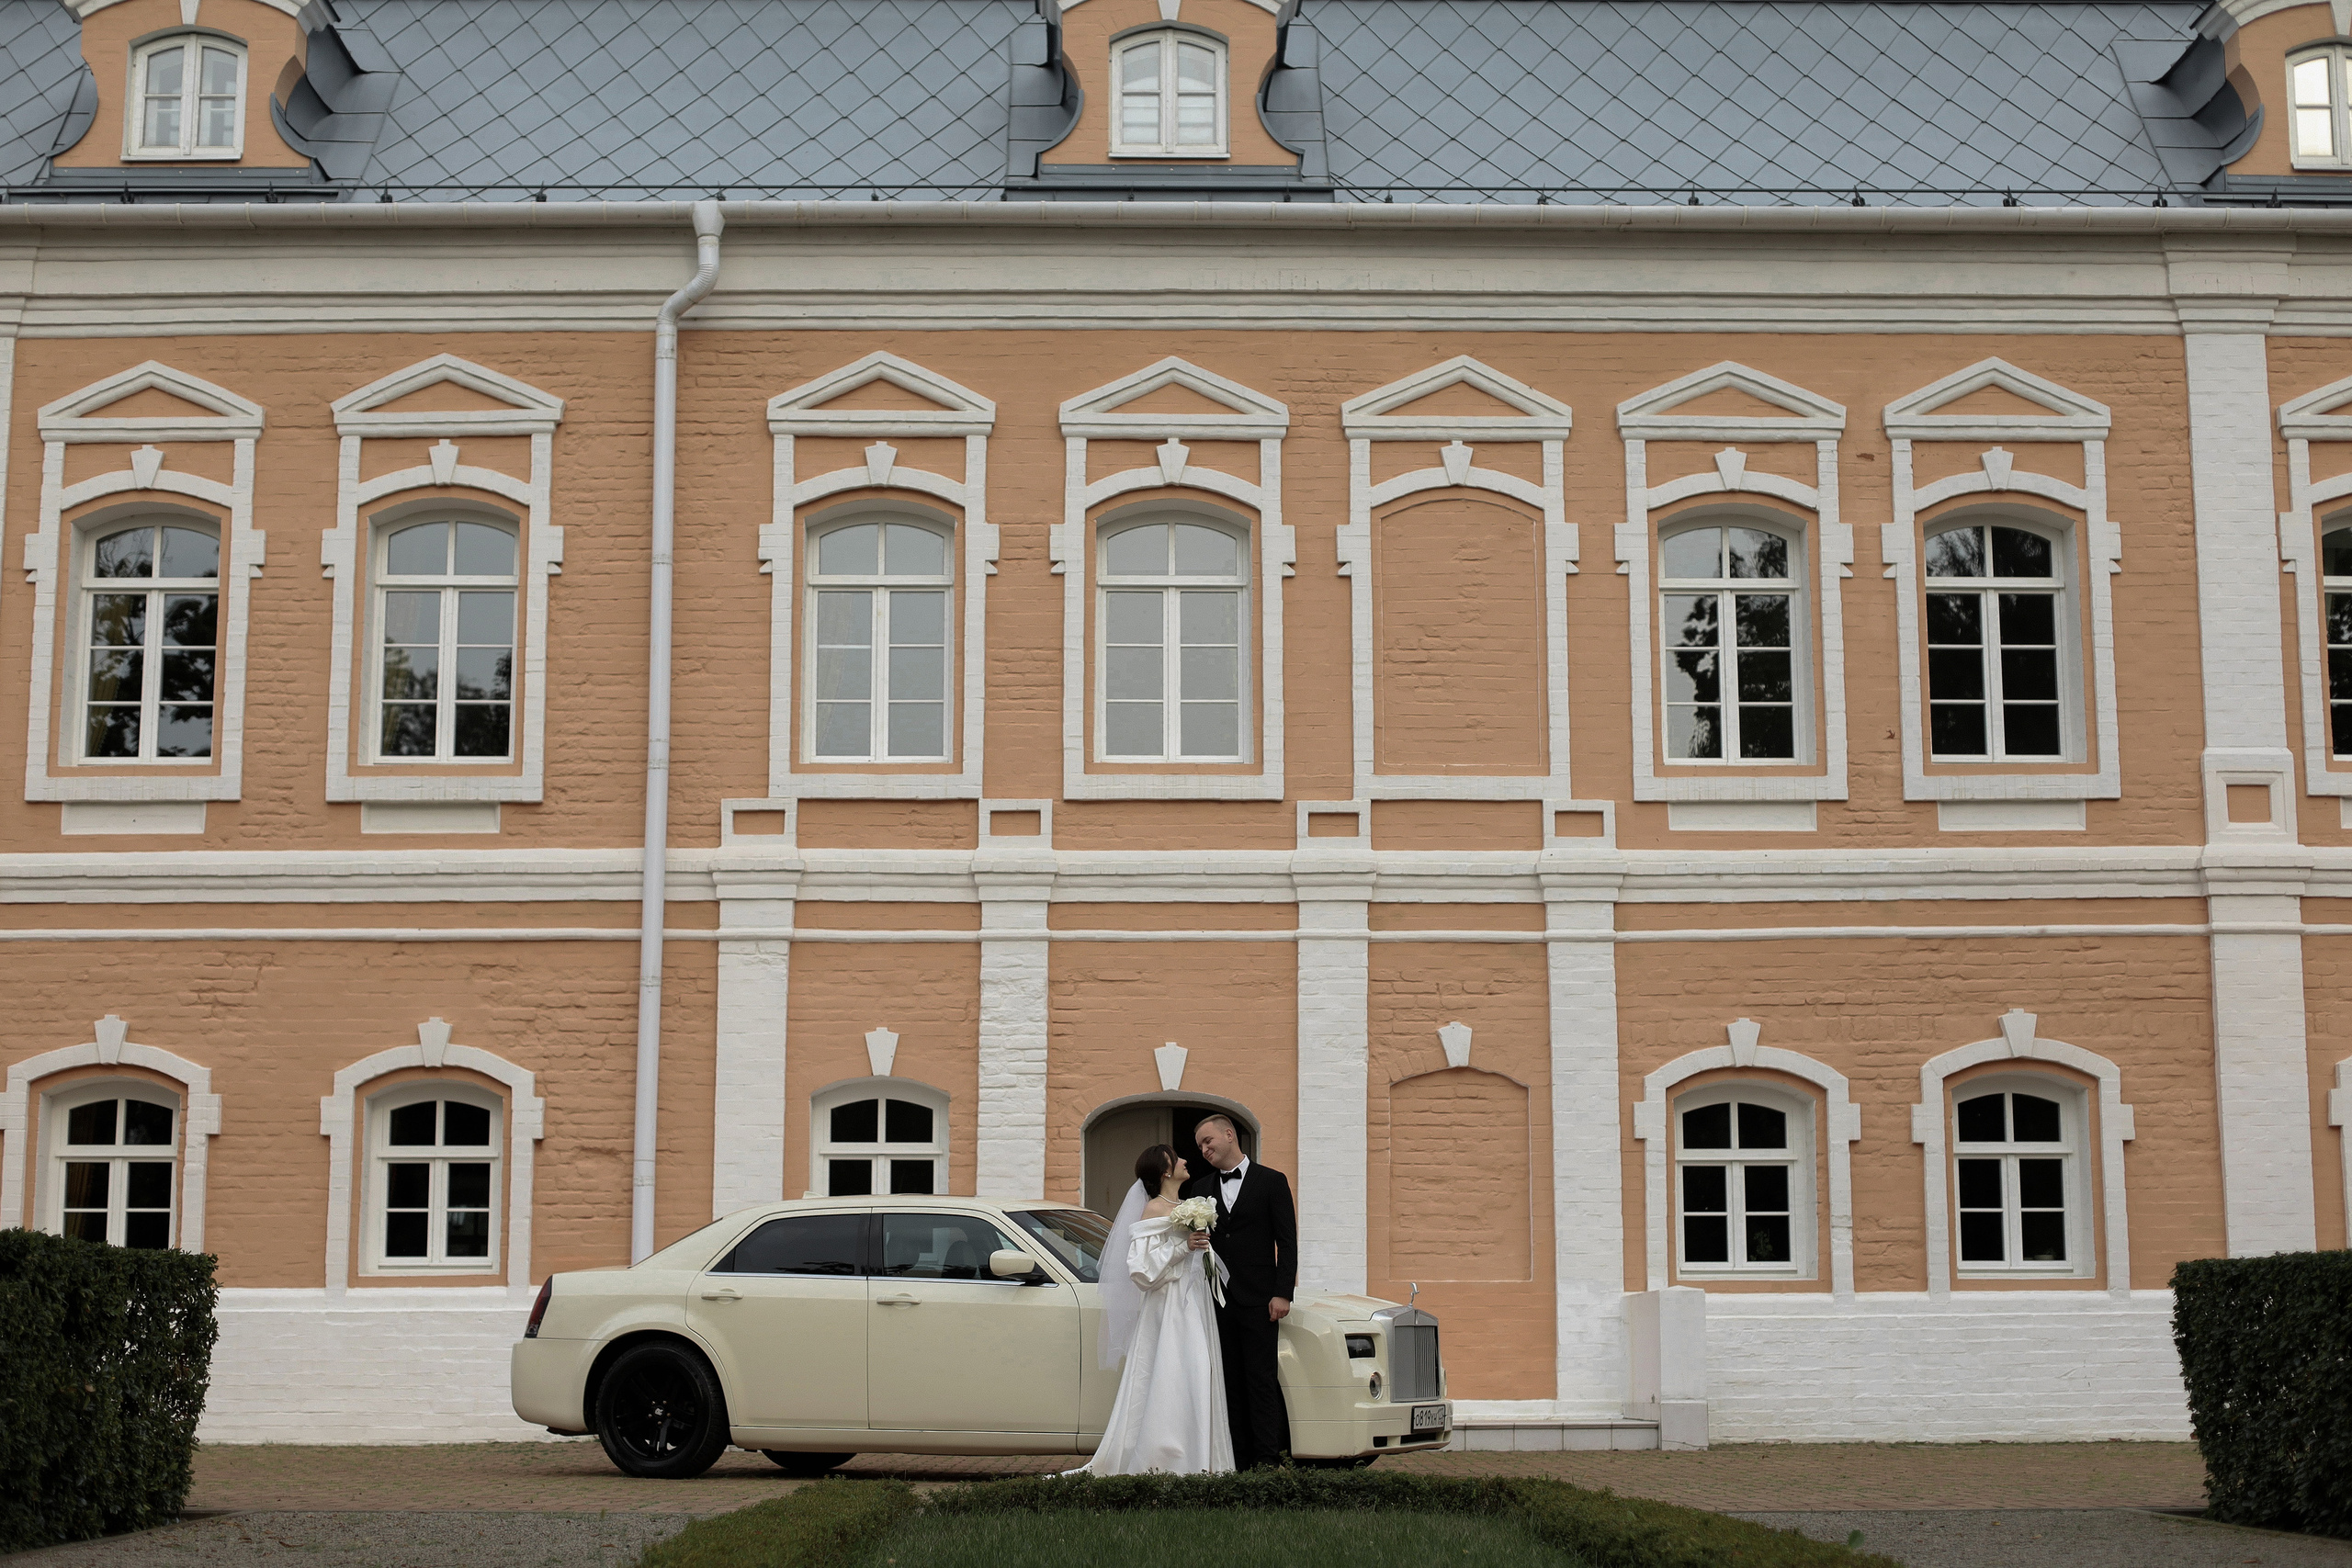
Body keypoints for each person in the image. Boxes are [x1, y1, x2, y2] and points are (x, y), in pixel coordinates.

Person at [1081, 1144, 1234, 1475]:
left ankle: (1201, 1460)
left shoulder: (1186, 1206)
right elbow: (1141, 1270)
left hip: (1194, 1302)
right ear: (1165, 1171)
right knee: (1169, 1371)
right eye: (1176, 1158)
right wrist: (1183, 1246)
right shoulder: (1154, 1209)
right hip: (1166, 1308)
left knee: (1196, 1370)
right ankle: (1165, 1460)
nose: (1184, 1160)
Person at [1182, 1113, 1296, 1469]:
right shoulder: (1199, 1189)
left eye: (1208, 1141)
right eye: (1200, 1145)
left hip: (1261, 1299)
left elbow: (1287, 1241)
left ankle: (1266, 1460)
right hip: (1216, 1300)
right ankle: (1237, 1460)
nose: (1204, 1149)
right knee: (1227, 1379)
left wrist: (1283, 1293)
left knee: (1261, 1379)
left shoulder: (1272, 1181)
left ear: (1229, 1135)